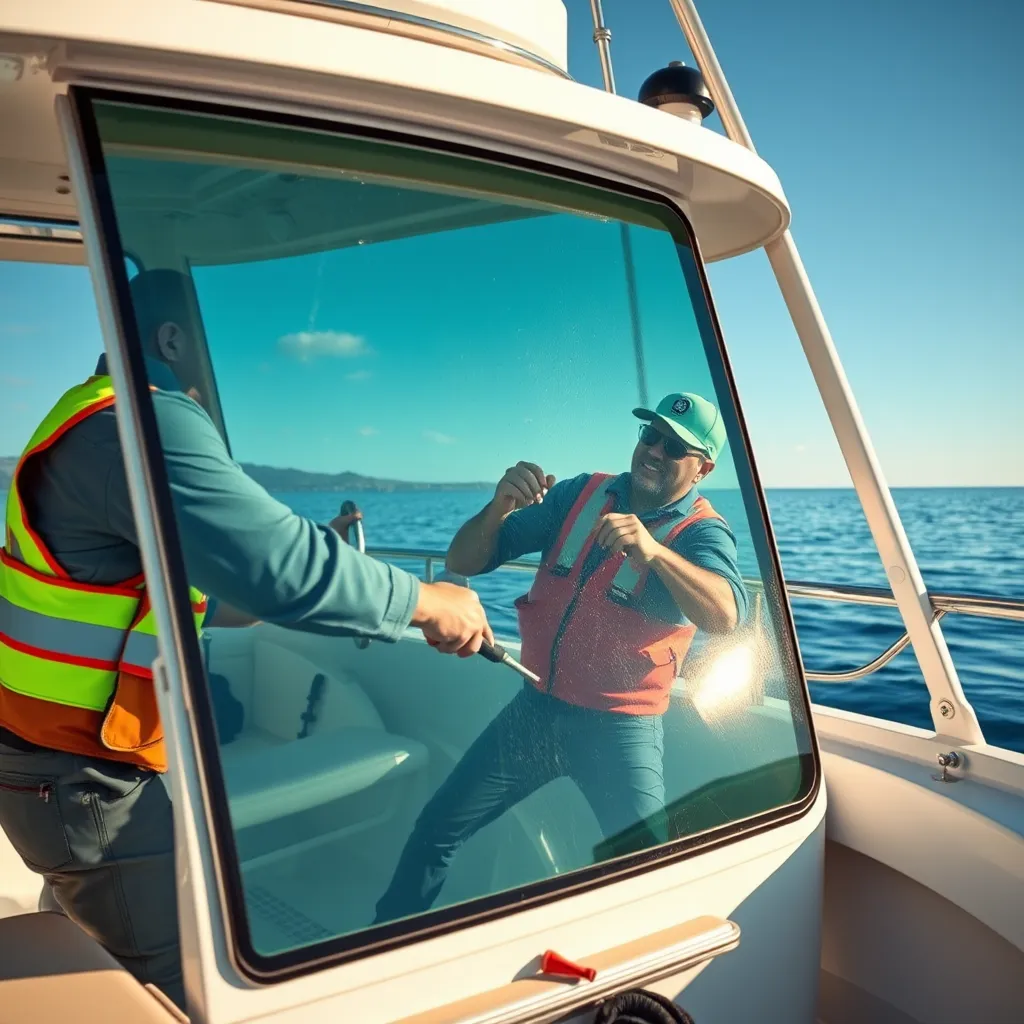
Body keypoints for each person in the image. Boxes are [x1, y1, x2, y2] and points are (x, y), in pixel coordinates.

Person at [0, 269, 491, 1010]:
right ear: (171, 340)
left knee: (101, 931)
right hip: (81, 780)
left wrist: (315, 567)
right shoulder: (138, 420)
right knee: (185, 990)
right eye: (216, 349)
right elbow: (279, 569)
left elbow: (210, 596)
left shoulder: (97, 419)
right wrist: (427, 601)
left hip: (71, 766)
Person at [375, 392, 748, 922]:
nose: (655, 451)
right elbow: (464, 559)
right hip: (536, 710)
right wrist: (499, 505)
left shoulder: (702, 532)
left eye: (675, 446)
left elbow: (727, 615)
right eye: (651, 435)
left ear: (703, 468)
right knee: (436, 829)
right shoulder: (580, 493)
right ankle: (387, 940)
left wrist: (656, 551)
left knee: (646, 872)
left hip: (622, 730)